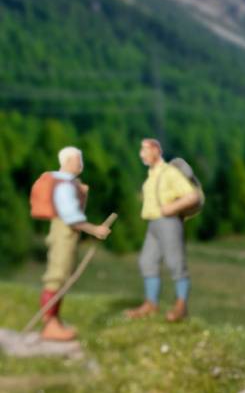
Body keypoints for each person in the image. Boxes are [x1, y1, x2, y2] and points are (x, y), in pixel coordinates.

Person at [35, 147, 112, 342]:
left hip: (67, 234)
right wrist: (95, 230)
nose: (81, 164)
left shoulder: (70, 184)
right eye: (78, 160)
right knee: (56, 277)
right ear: (68, 161)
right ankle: (49, 323)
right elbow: (71, 218)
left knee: (62, 278)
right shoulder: (64, 186)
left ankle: (54, 321)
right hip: (63, 233)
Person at [124, 138, 197, 322]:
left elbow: (192, 196)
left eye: (145, 150)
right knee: (147, 261)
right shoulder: (152, 174)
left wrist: (171, 208)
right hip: (153, 223)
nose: (142, 154)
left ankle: (181, 305)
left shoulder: (169, 173)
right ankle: (151, 303)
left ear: (156, 150)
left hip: (168, 222)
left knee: (175, 263)